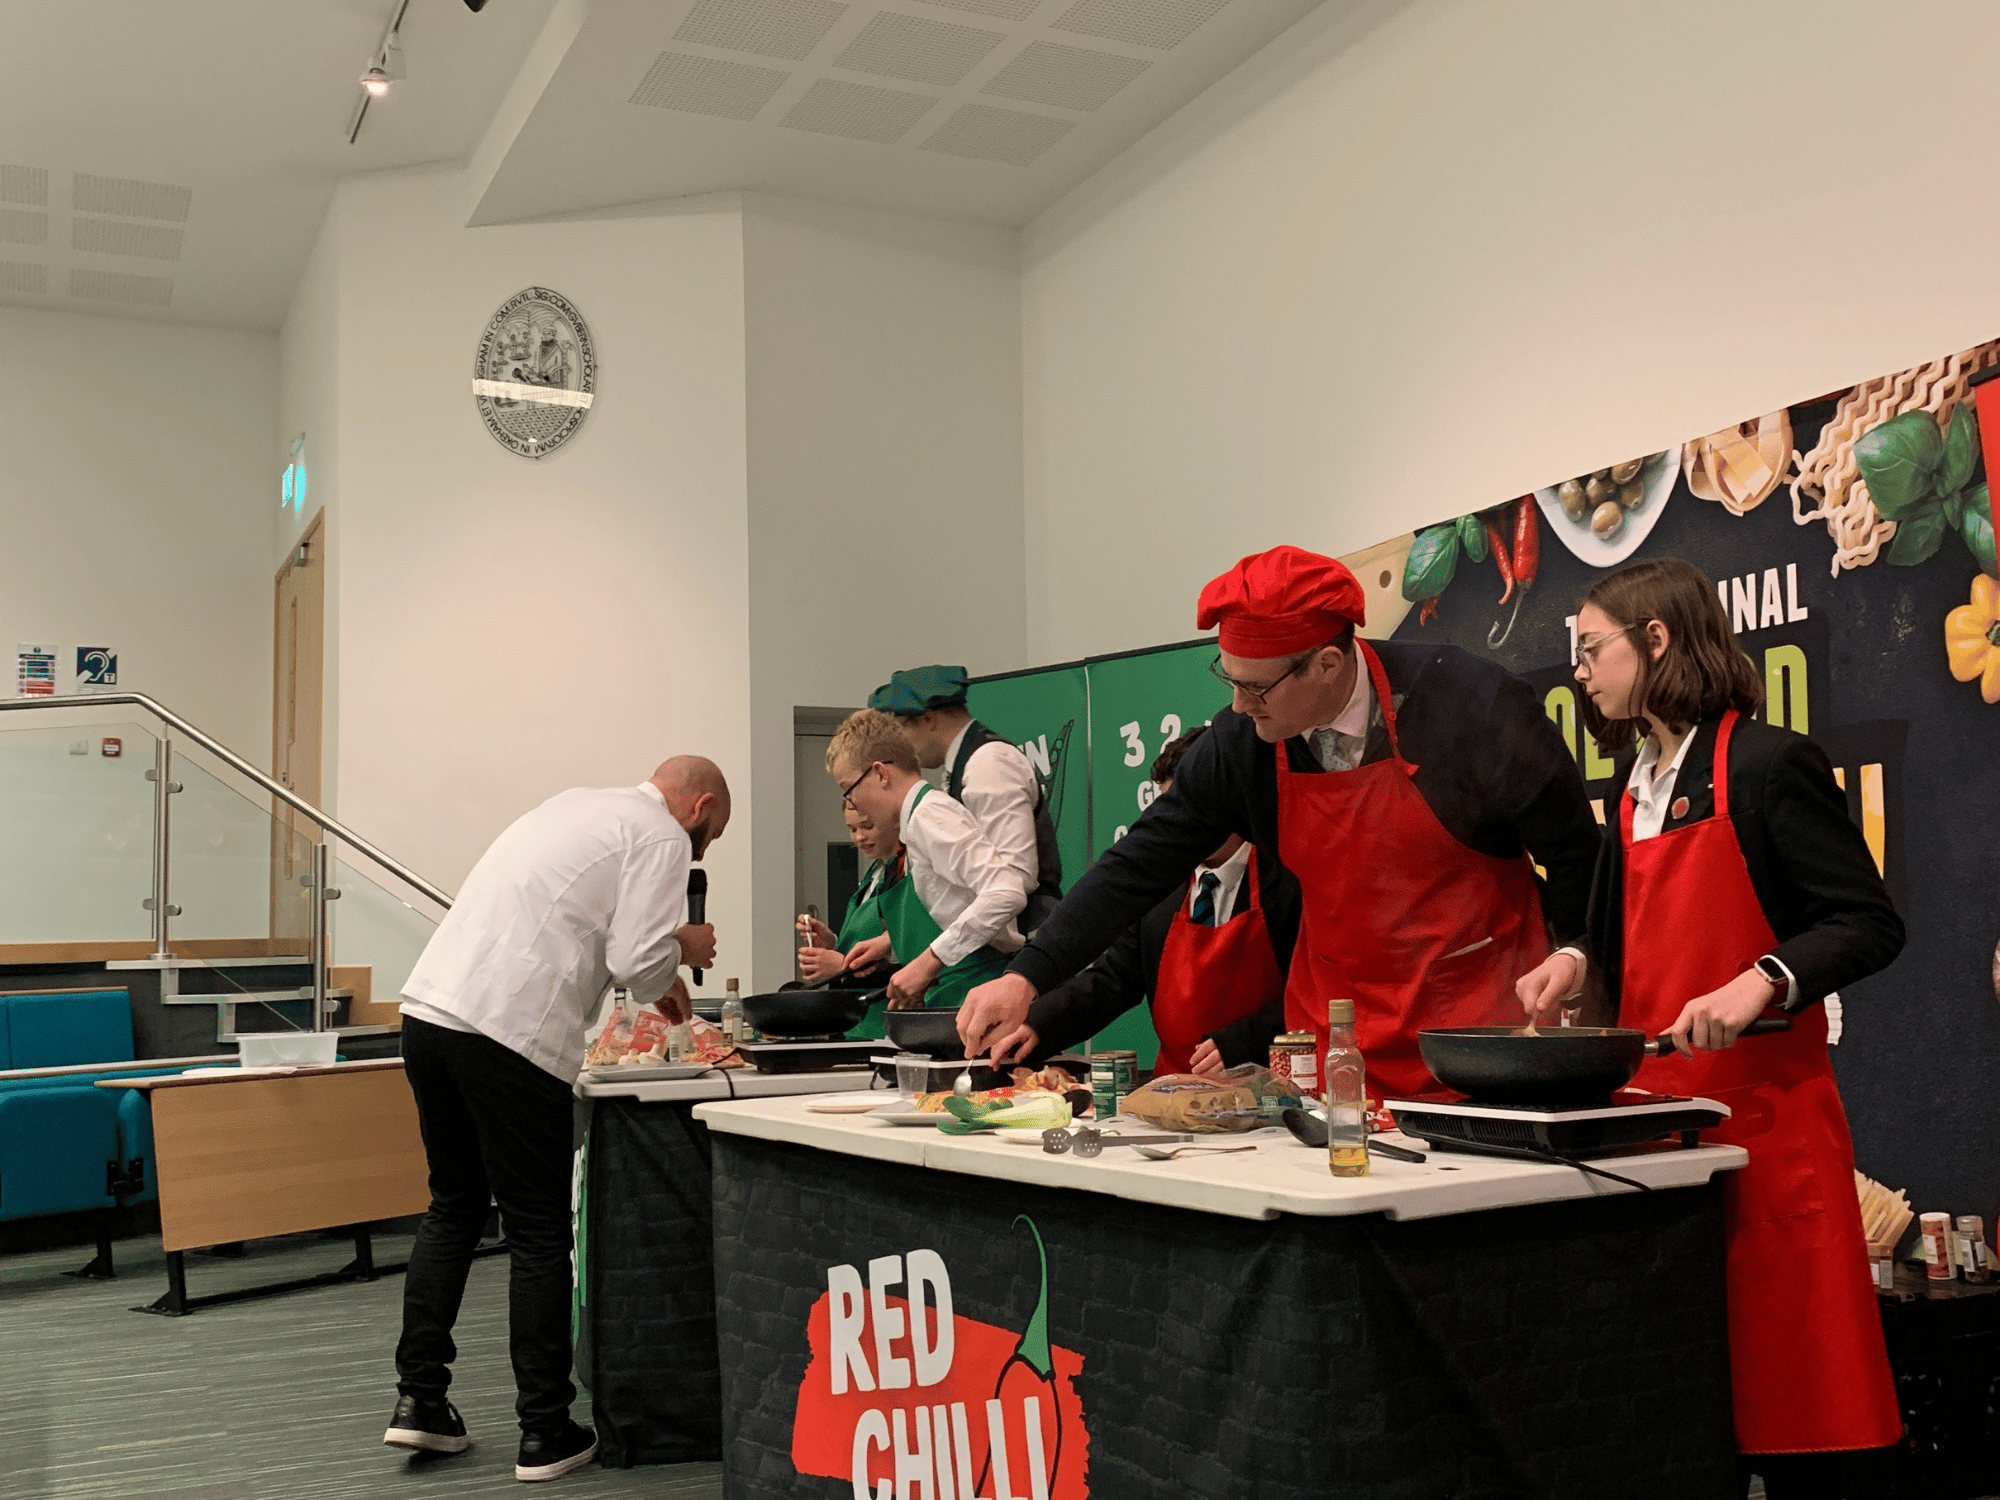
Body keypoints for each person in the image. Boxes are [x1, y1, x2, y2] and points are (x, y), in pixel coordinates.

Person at [1514, 559, 1903, 1498]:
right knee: (1688, 1421)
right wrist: (1575, 961)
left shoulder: (1770, 764)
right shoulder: (1636, 786)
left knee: (1804, 1424)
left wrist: (1763, 980)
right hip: (1663, 1140)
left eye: (1591, 648)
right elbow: (1613, 940)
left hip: (1769, 1139)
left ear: (1655, 640)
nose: (1579, 672)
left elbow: (1867, 922)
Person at [958, 544, 1602, 1101]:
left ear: (1326, 664)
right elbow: (1139, 863)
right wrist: (1027, 976)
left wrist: (1576, 951)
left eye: (1257, 689)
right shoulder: (1242, 746)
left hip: (1480, 1043)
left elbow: (1577, 851)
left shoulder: (1471, 705)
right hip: (1333, 1054)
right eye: (1230, 681)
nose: (1237, 706)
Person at [384, 757, 728, 1482]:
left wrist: (654, 977)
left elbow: (593, 936)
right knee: (540, 1230)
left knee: (451, 1208)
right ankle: (545, 1430)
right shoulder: (664, 835)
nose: (702, 854)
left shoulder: (578, 805)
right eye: (711, 836)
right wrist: (684, 951)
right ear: (697, 807)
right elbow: (638, 960)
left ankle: (419, 1403)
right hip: (508, 1035)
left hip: (430, 1012)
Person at [982, 725, 1295, 1075]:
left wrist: (1248, 1040)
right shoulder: (1162, 889)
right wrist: (1038, 1025)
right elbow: (1112, 979)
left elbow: (1316, 994)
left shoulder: (1288, 880)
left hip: (1269, 1094)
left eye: (1188, 810)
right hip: (1173, 1091)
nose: (1177, 825)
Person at [825, 710, 1025, 1011]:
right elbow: (953, 901)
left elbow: (1006, 892)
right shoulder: (914, 825)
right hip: (952, 991)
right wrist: (888, 942)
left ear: (880, 774)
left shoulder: (929, 815)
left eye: (849, 790)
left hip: (975, 989)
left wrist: (928, 962)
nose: (853, 804)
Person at [868, 664, 1063, 932]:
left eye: (901, 727)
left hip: (1020, 942)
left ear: (928, 719)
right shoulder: (967, 762)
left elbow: (1015, 879)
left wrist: (940, 951)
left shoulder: (989, 763)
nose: (902, 741)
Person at [796, 804, 902, 1038]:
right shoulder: (876, 871)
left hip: (882, 1024)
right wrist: (831, 941)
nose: (859, 837)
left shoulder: (905, 877)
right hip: (854, 1022)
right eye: (852, 829)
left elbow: (911, 960)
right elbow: (866, 941)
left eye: (867, 826)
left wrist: (843, 967)